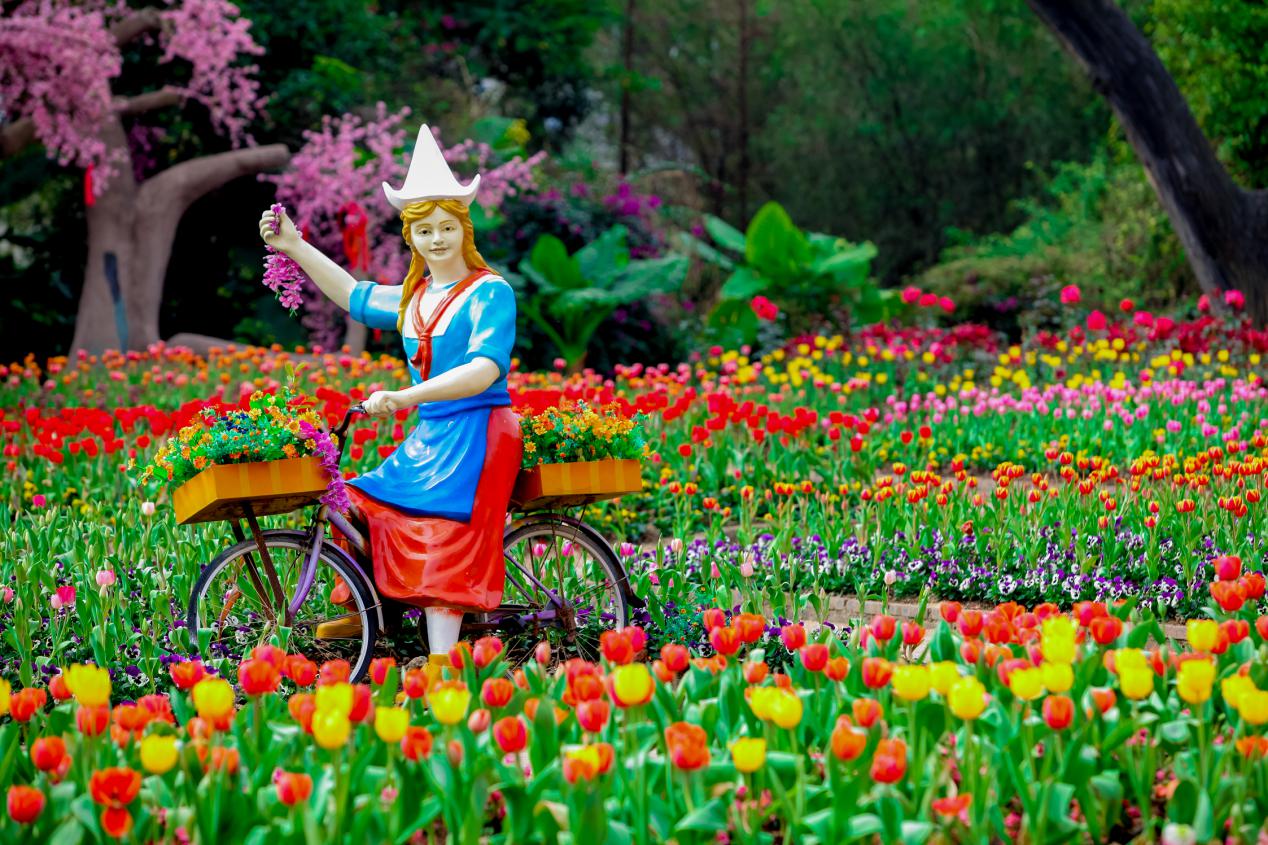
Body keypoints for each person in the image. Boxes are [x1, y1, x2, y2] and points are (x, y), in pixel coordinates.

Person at [258, 124, 522, 676]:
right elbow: (354, 296)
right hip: (432, 437)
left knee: (443, 532)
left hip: (478, 431)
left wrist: (405, 396)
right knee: (354, 501)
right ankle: (373, 604)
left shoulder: (490, 292)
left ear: (464, 229)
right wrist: (294, 246)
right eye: (425, 230)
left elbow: (484, 369)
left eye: (447, 227)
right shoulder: (415, 298)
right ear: (411, 237)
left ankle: (443, 664)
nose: (438, 239)